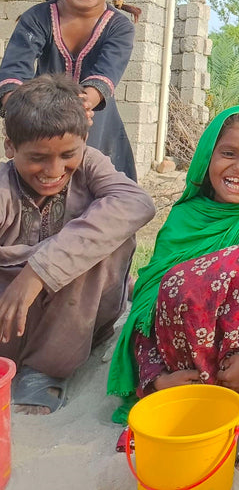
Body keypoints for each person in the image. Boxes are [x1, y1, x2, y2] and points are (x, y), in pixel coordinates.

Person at [107, 106, 239, 470]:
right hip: (186, 372)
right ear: (208, 155)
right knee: (174, 283)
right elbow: (146, 308)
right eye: (228, 153)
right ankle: (193, 406)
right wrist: (158, 378)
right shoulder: (184, 218)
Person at [0, 74, 155, 414]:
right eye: (38, 157)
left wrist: (38, 271)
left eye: (67, 154)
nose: (53, 170)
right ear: (10, 146)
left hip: (75, 324)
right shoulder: (3, 186)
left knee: (110, 239)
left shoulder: (89, 165)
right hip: (10, 327)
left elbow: (137, 205)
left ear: (84, 141)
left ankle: (44, 371)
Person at [0, 0, 141, 180]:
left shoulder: (119, 27)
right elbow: (13, 71)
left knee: (101, 198)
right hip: (41, 129)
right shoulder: (38, 18)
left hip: (99, 132)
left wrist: (78, 108)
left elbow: (104, 78)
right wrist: (20, 113)